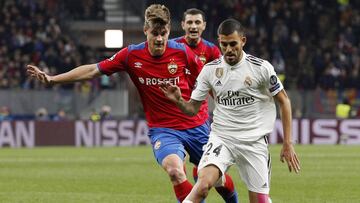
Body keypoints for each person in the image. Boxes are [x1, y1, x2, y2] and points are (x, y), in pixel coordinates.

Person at [26, 4, 237, 202]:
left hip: (196, 125)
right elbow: (92, 69)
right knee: (175, 171)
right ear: (146, 30)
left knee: (216, 181)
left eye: (163, 34)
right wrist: (53, 79)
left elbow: (207, 82)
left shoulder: (182, 53)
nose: (160, 39)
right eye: (155, 33)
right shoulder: (131, 55)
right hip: (164, 130)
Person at [160, 19, 301, 203]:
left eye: (233, 44)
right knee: (202, 186)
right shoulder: (210, 70)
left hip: (254, 142)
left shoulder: (261, 68)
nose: (228, 49)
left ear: (243, 40)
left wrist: (287, 143)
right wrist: (178, 100)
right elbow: (192, 109)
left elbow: (284, 102)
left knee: (259, 200)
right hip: (222, 138)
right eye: (224, 44)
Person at [172, 8, 237, 200]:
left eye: (197, 22)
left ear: (204, 26)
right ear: (183, 25)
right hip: (172, 121)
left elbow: (220, 86)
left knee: (213, 177)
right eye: (189, 22)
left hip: (198, 121)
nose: (193, 26)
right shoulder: (171, 47)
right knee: (176, 171)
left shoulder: (211, 51)